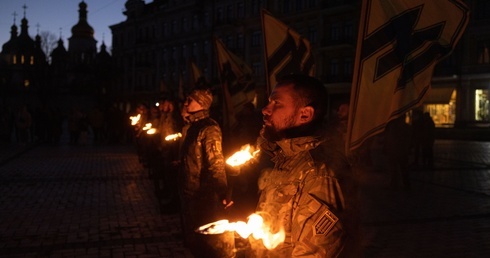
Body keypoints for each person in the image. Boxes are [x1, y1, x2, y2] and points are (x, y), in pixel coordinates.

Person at [251, 74, 359, 257]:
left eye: (276, 103)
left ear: (305, 115)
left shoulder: (318, 173)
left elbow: (316, 251)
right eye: (269, 102)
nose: (265, 110)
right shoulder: (285, 161)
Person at [177, 88, 233, 256]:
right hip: (188, 191)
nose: (186, 103)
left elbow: (215, 163)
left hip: (201, 195)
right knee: (192, 239)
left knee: (203, 243)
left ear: (202, 103)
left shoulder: (209, 128)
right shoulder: (192, 127)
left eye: (190, 100)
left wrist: (220, 192)